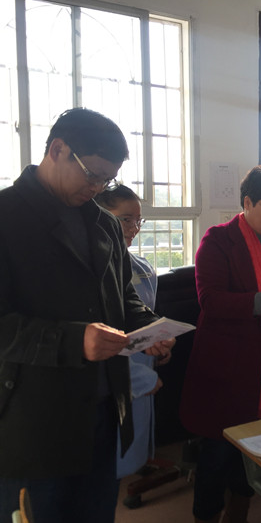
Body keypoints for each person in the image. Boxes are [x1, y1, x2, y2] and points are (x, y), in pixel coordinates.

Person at [0, 107, 173, 522]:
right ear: (58, 149)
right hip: (34, 416)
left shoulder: (103, 224)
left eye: (106, 181)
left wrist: (148, 325)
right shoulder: (7, 217)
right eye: (92, 175)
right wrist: (75, 340)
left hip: (102, 409)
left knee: (95, 512)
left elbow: (122, 297)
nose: (97, 188)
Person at [179, 165, 261, 523]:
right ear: (247, 202)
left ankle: (239, 510)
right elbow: (210, 301)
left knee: (256, 447)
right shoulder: (218, 240)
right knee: (218, 451)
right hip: (228, 364)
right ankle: (206, 514)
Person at [94, 185, 170, 484]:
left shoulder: (143, 268)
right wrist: (140, 378)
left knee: (132, 448)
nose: (134, 228)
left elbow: (146, 319)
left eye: (139, 220)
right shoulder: (91, 269)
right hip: (112, 376)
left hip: (144, 366)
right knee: (105, 460)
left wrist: (160, 345)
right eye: (126, 219)